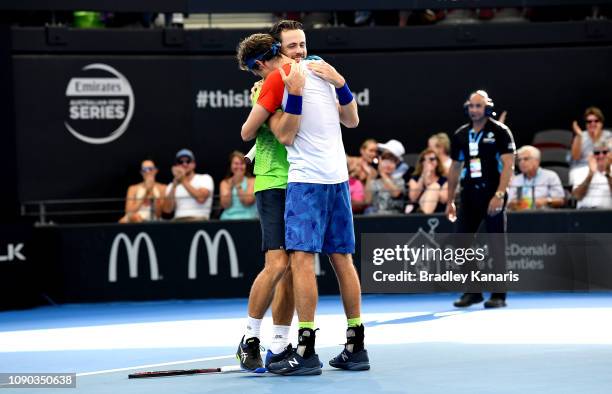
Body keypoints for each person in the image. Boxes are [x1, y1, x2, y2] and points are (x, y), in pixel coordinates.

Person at [238, 31, 369, 375]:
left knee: (297, 264)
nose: (299, 51)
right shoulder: (320, 70)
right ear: (280, 47)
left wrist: (292, 93)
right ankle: (260, 339)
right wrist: (339, 83)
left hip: (304, 179)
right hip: (320, 178)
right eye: (292, 45)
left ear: (262, 61)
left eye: (301, 45)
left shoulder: (284, 77)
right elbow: (352, 119)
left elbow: (277, 134)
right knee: (302, 263)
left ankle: (298, 348)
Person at [446, 90, 516, 309]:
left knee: (496, 244)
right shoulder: (460, 134)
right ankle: (473, 291)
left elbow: (508, 165)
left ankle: (499, 295)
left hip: (493, 193)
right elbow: (455, 168)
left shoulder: (500, 131)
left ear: (487, 108)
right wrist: (450, 200)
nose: (475, 110)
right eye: (472, 106)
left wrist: (499, 194)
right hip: (469, 194)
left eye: (479, 106)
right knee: (460, 241)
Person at [507, 145, 565, 211]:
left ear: (537, 161)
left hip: (544, 215)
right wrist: (514, 203)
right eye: (519, 160)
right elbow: (509, 202)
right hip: (520, 215)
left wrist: (546, 201)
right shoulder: (516, 179)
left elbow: (560, 200)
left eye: (526, 159)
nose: (521, 162)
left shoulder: (550, 176)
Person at [162, 149, 214, 221]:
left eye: (188, 161)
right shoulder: (171, 185)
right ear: (176, 165)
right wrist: (174, 185)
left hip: (199, 220)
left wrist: (182, 179)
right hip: (178, 221)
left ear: (194, 164)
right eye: (181, 162)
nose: (184, 164)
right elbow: (167, 211)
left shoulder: (205, 178)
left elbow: (201, 198)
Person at [570, 142, 612, 209]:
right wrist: (590, 175)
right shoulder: (579, 171)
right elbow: (576, 196)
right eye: (597, 153)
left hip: (607, 214)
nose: (601, 156)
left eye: (604, 152)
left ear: (610, 155)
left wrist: (607, 173)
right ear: (591, 156)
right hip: (585, 212)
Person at [364, 150, 406, 215]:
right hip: (375, 217)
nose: (388, 165)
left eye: (392, 162)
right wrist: (370, 176)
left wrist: (382, 173)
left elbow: (396, 194)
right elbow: (367, 201)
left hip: (395, 216)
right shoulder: (374, 182)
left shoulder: (400, 180)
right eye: (385, 161)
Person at [219, 151, 258, 220]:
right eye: (236, 164)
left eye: (242, 163)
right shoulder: (225, 183)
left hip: (248, 219)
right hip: (227, 219)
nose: (239, 166)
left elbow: (248, 201)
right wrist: (230, 187)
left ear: (245, 166)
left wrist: (238, 184)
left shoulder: (252, 181)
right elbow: (225, 205)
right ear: (231, 166)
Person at [408, 149, 449, 214]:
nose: (428, 162)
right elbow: (413, 198)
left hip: (438, 210)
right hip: (418, 209)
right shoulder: (415, 179)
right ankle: (425, 217)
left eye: (432, 159)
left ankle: (425, 216)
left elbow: (444, 199)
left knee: (435, 187)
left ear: (437, 162)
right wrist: (423, 176)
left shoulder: (444, 180)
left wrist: (432, 188)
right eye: (424, 160)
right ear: (421, 163)